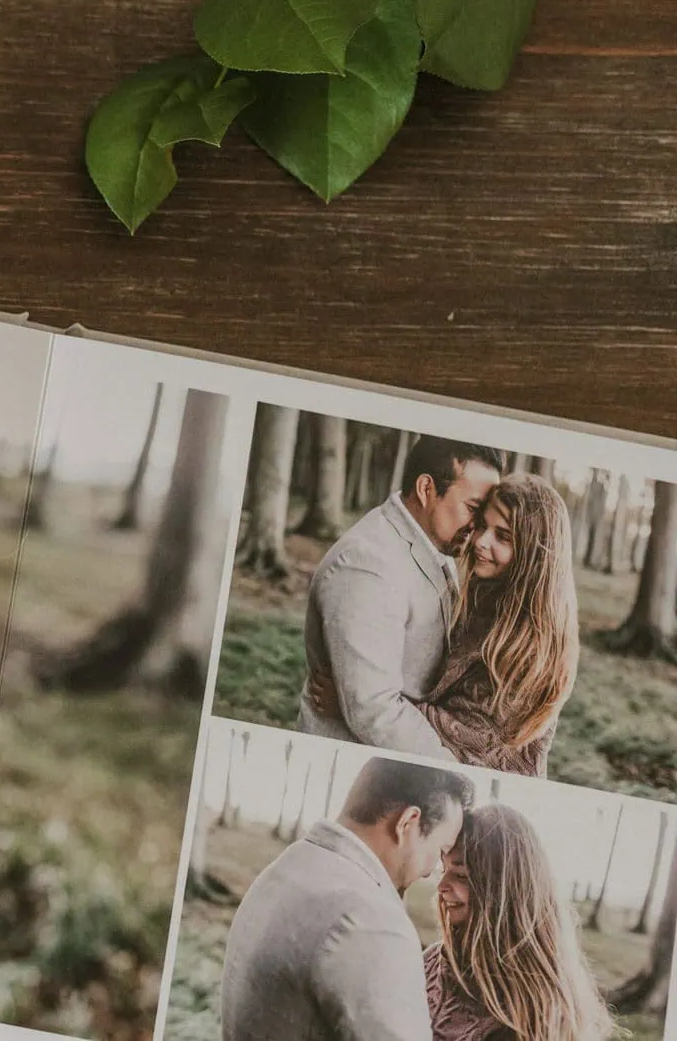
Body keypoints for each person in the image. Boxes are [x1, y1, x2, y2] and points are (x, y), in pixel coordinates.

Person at [220, 755, 471, 1041]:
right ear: (408, 822)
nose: (430, 873)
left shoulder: (288, 866)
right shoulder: (370, 920)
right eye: (440, 851)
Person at [301, 436, 506, 757]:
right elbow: (374, 712)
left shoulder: (436, 543)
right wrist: (455, 765)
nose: (478, 529)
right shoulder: (367, 564)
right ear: (426, 489)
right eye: (473, 509)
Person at [418, 476, 579, 776]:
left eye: (503, 536)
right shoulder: (489, 597)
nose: (480, 540)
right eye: (482, 525)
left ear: (533, 556)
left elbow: (459, 739)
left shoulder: (528, 649)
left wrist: (368, 696)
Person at [426, 804, 612, 1041]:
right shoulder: (434, 959)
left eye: (461, 875)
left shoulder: (534, 1010)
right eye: (443, 869)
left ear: (504, 890)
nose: (441, 886)